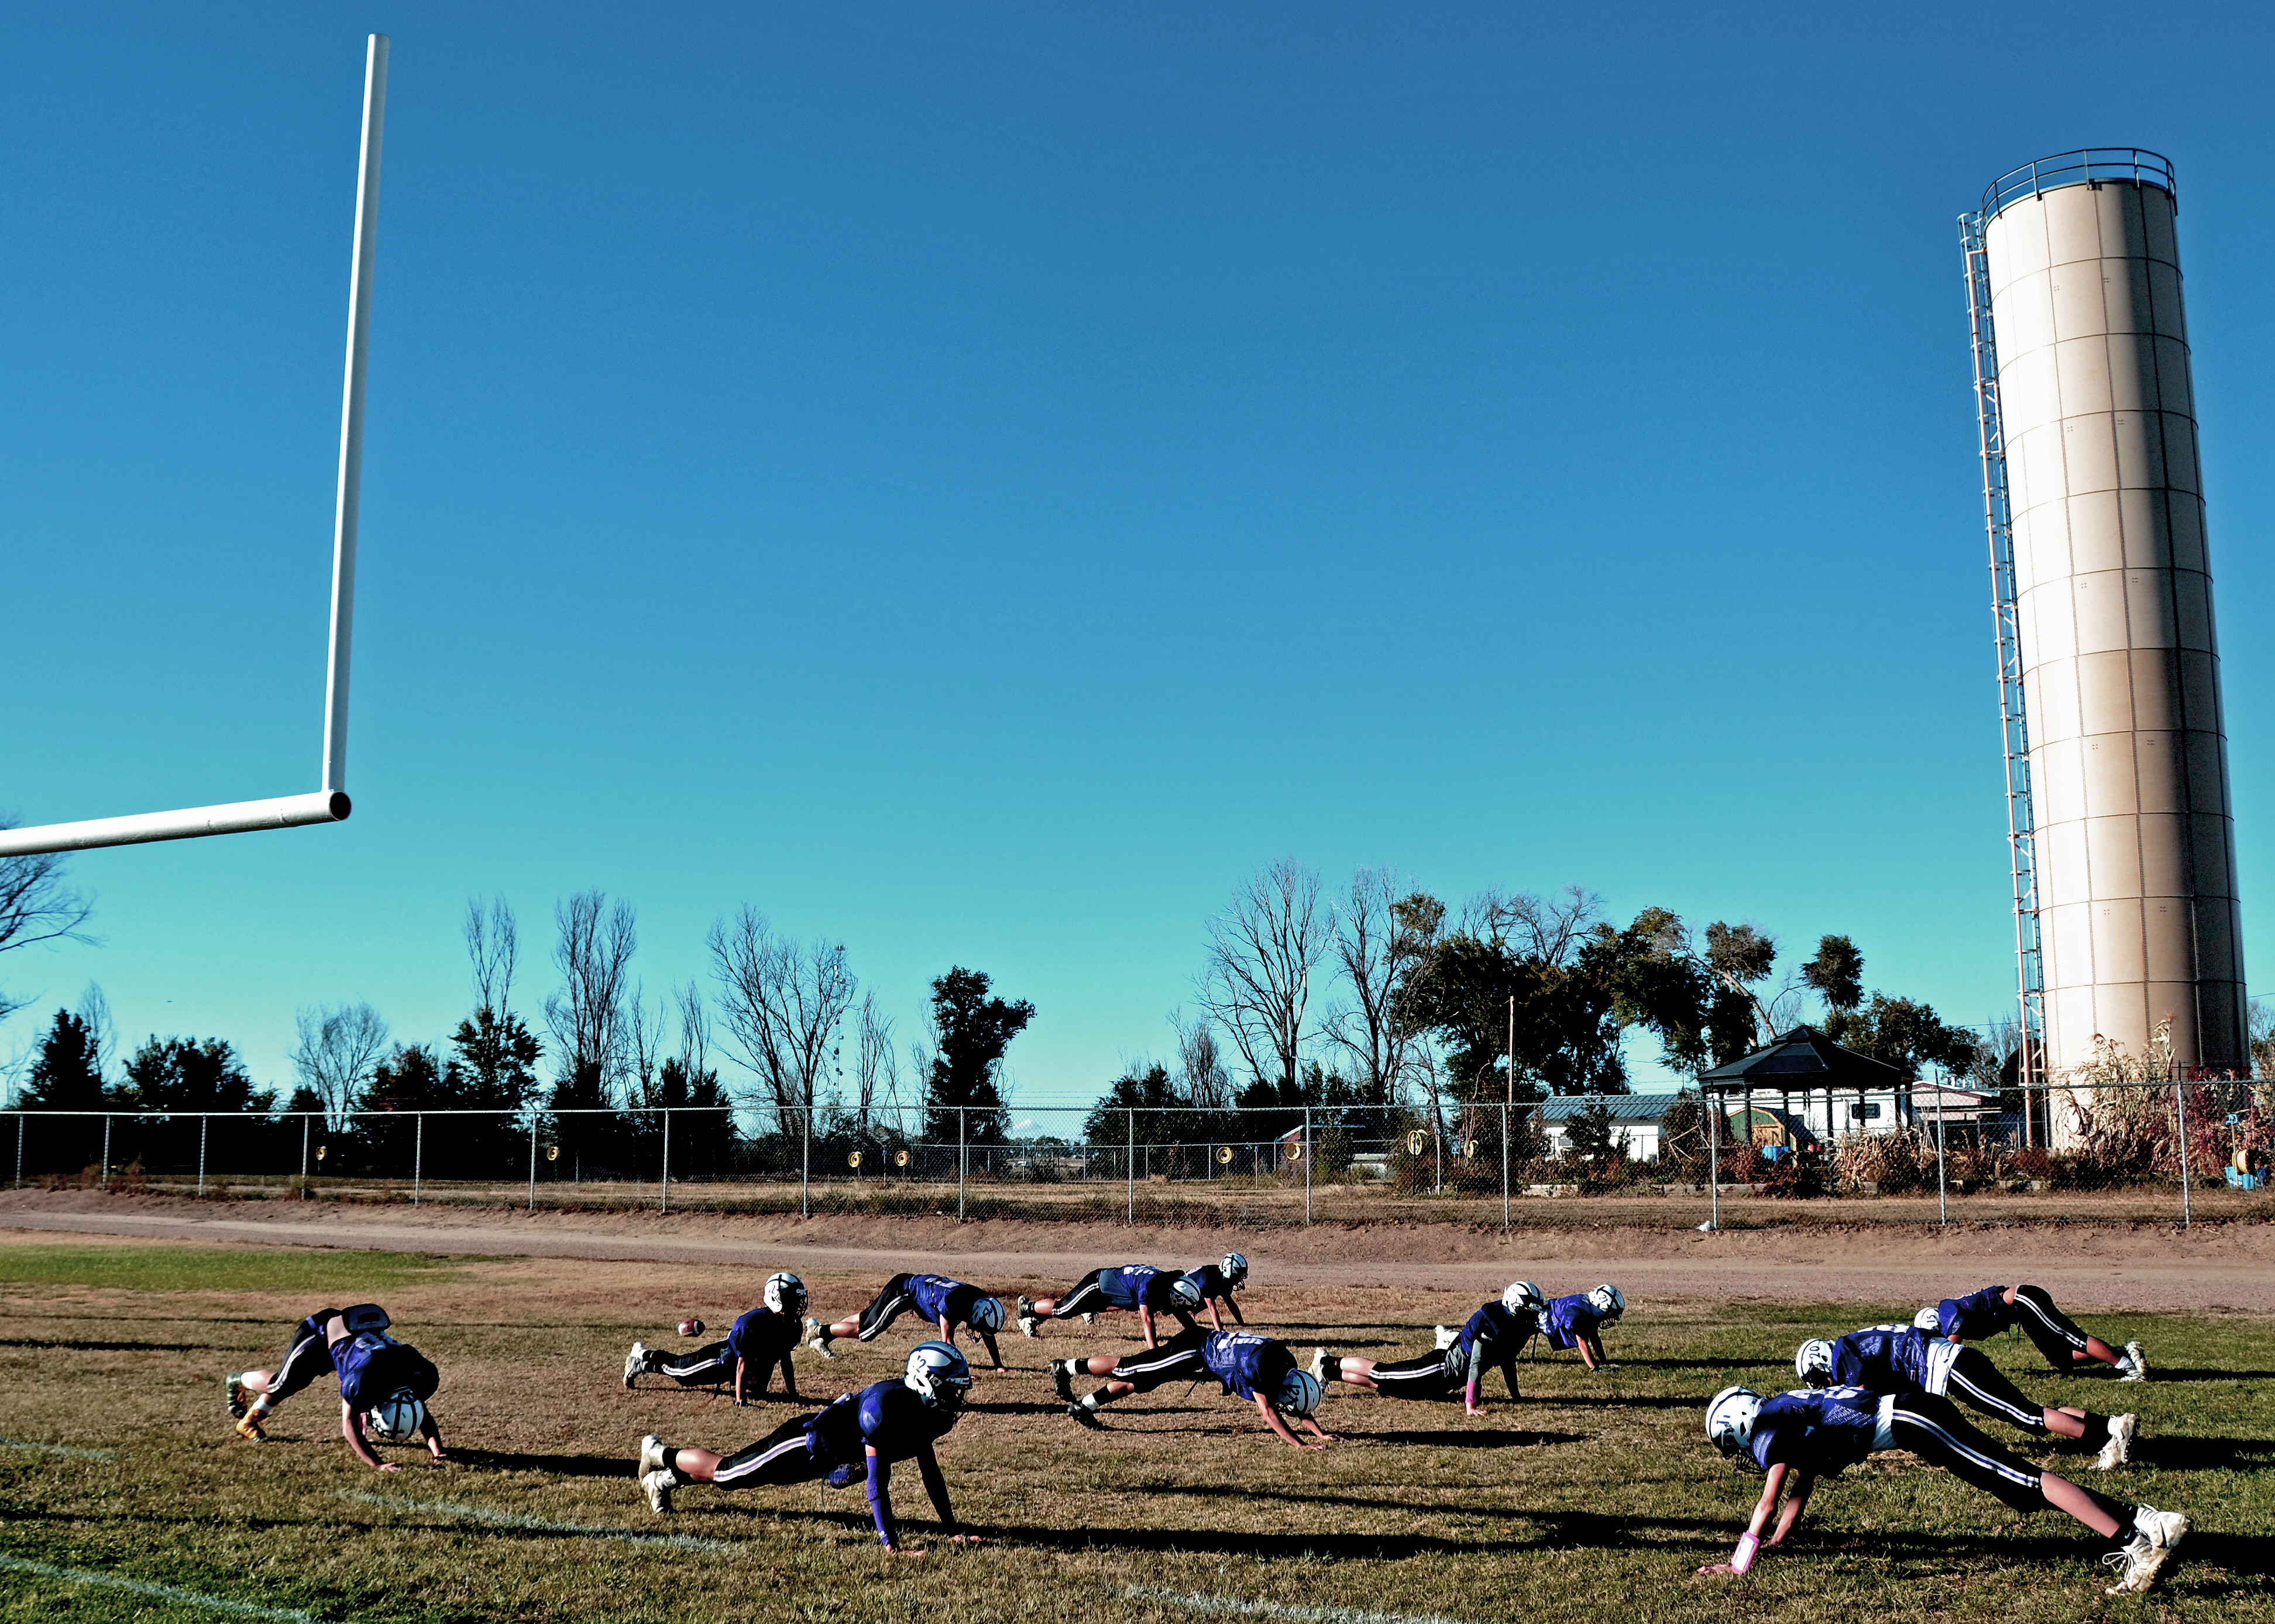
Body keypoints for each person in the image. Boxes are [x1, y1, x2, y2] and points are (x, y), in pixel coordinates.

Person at [1697, 1384, 2187, 1595]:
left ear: (1738, 1427)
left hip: (1914, 1421)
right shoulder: (1789, 1414)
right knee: (2019, 1485)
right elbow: (1800, 1491)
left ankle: (2135, 1543)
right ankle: (2145, 1520)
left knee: (2023, 1481)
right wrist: (1780, 1543)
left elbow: (1769, 1500)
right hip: (1915, 1414)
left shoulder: (1768, 1428)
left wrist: (1739, 1564)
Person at [635, 1341, 984, 1557]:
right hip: (805, 1443)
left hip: (827, 1457)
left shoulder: (926, 1413)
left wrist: (953, 1529)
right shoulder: (882, 1410)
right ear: (926, 1384)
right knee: (728, 1472)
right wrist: (890, 1545)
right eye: (952, 1390)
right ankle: (660, 1452)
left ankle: (664, 1481)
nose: (958, 1399)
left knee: (743, 1478)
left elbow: (931, 1473)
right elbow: (877, 1483)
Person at [1796, 1323, 2136, 1469]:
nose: (1824, 1385)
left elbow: (1864, 1399)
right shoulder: (1853, 1346)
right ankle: (2111, 1425)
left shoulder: (1844, 1355)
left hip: (1951, 1366)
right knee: (2026, 1410)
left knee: (2027, 1416)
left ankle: (2102, 1439)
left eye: (1818, 1379)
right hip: (1952, 1363)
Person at [228, 1303, 446, 1471]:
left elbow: (419, 1410)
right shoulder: (365, 1379)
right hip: (321, 1334)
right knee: (280, 1385)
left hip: (355, 1347)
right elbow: (348, 1426)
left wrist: (438, 1450)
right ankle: (239, 1380)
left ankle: (248, 1421)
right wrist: (377, 1464)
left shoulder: (418, 1374)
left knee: (295, 1383)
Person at [1051, 1328, 1334, 1449]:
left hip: (1201, 1351)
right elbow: (1270, 1413)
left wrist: (1319, 1432)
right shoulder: (1261, 1367)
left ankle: (1084, 1407)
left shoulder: (1286, 1362)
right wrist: (1300, 1444)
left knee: (1140, 1383)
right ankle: (1065, 1368)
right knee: (1129, 1368)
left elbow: (1296, 1403)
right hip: (1194, 1350)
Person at [1310, 1280, 1542, 1416]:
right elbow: (1476, 1364)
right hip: (1439, 1369)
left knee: (1383, 1385)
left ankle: (1330, 1373)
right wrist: (1471, 1404)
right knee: (1382, 1373)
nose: (1529, 1318)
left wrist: (1517, 1397)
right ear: (1515, 1306)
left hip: (1445, 1382)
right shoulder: (1492, 1324)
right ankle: (1327, 1362)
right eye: (1527, 1312)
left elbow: (1507, 1359)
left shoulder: (1507, 1324)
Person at [624, 1272, 806, 1403]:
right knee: (682, 1373)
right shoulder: (752, 1323)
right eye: (793, 1299)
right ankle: (643, 1358)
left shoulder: (793, 1325)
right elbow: (741, 1364)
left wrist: (793, 1394)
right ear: (777, 1299)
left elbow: (785, 1358)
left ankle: (644, 1360)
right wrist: (740, 1400)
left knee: (758, 1392)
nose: (798, 1304)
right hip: (722, 1361)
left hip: (746, 1365)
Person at [1921, 1285, 2145, 1381]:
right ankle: (2121, 1352)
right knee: (2061, 1358)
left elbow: (1950, 1349)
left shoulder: (1947, 1312)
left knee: (2074, 1338)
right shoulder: (1949, 1315)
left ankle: (2129, 1369)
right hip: (2021, 1313)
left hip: (2025, 1301)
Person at [805, 1272, 1008, 1370]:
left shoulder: (979, 1300)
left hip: (911, 1287)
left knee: (865, 1319)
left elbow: (988, 1333)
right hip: (904, 1291)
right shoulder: (954, 1303)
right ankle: (818, 1331)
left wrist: (998, 1365)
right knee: (866, 1331)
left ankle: (823, 1338)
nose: (979, 1330)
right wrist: (961, 1373)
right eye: (980, 1326)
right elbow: (947, 1343)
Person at [1016, 1264, 1202, 1347]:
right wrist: (1155, 1353)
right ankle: (1027, 1308)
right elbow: (1146, 1320)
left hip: (1114, 1295)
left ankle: (1033, 1319)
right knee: (1062, 1310)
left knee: (1073, 1310)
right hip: (1098, 1285)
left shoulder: (1167, 1283)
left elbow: (1182, 1313)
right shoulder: (1150, 1288)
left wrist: (1200, 1338)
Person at [1539, 1283, 1624, 1371]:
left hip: (1549, 1312)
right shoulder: (1579, 1314)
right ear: (1601, 1308)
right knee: (1526, 1333)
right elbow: (1582, 1344)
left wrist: (1605, 1362)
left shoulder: (1590, 1308)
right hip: (1544, 1317)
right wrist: (1594, 1368)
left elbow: (1595, 1339)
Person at [1179, 1253, 1250, 1332]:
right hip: (1182, 1290)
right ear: (1228, 1271)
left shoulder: (1224, 1278)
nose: (1240, 1280)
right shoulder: (1208, 1278)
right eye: (1238, 1276)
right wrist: (1220, 1330)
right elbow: (1212, 1308)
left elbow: (1231, 1304)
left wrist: (1242, 1324)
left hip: (1195, 1292)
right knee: (1183, 1309)